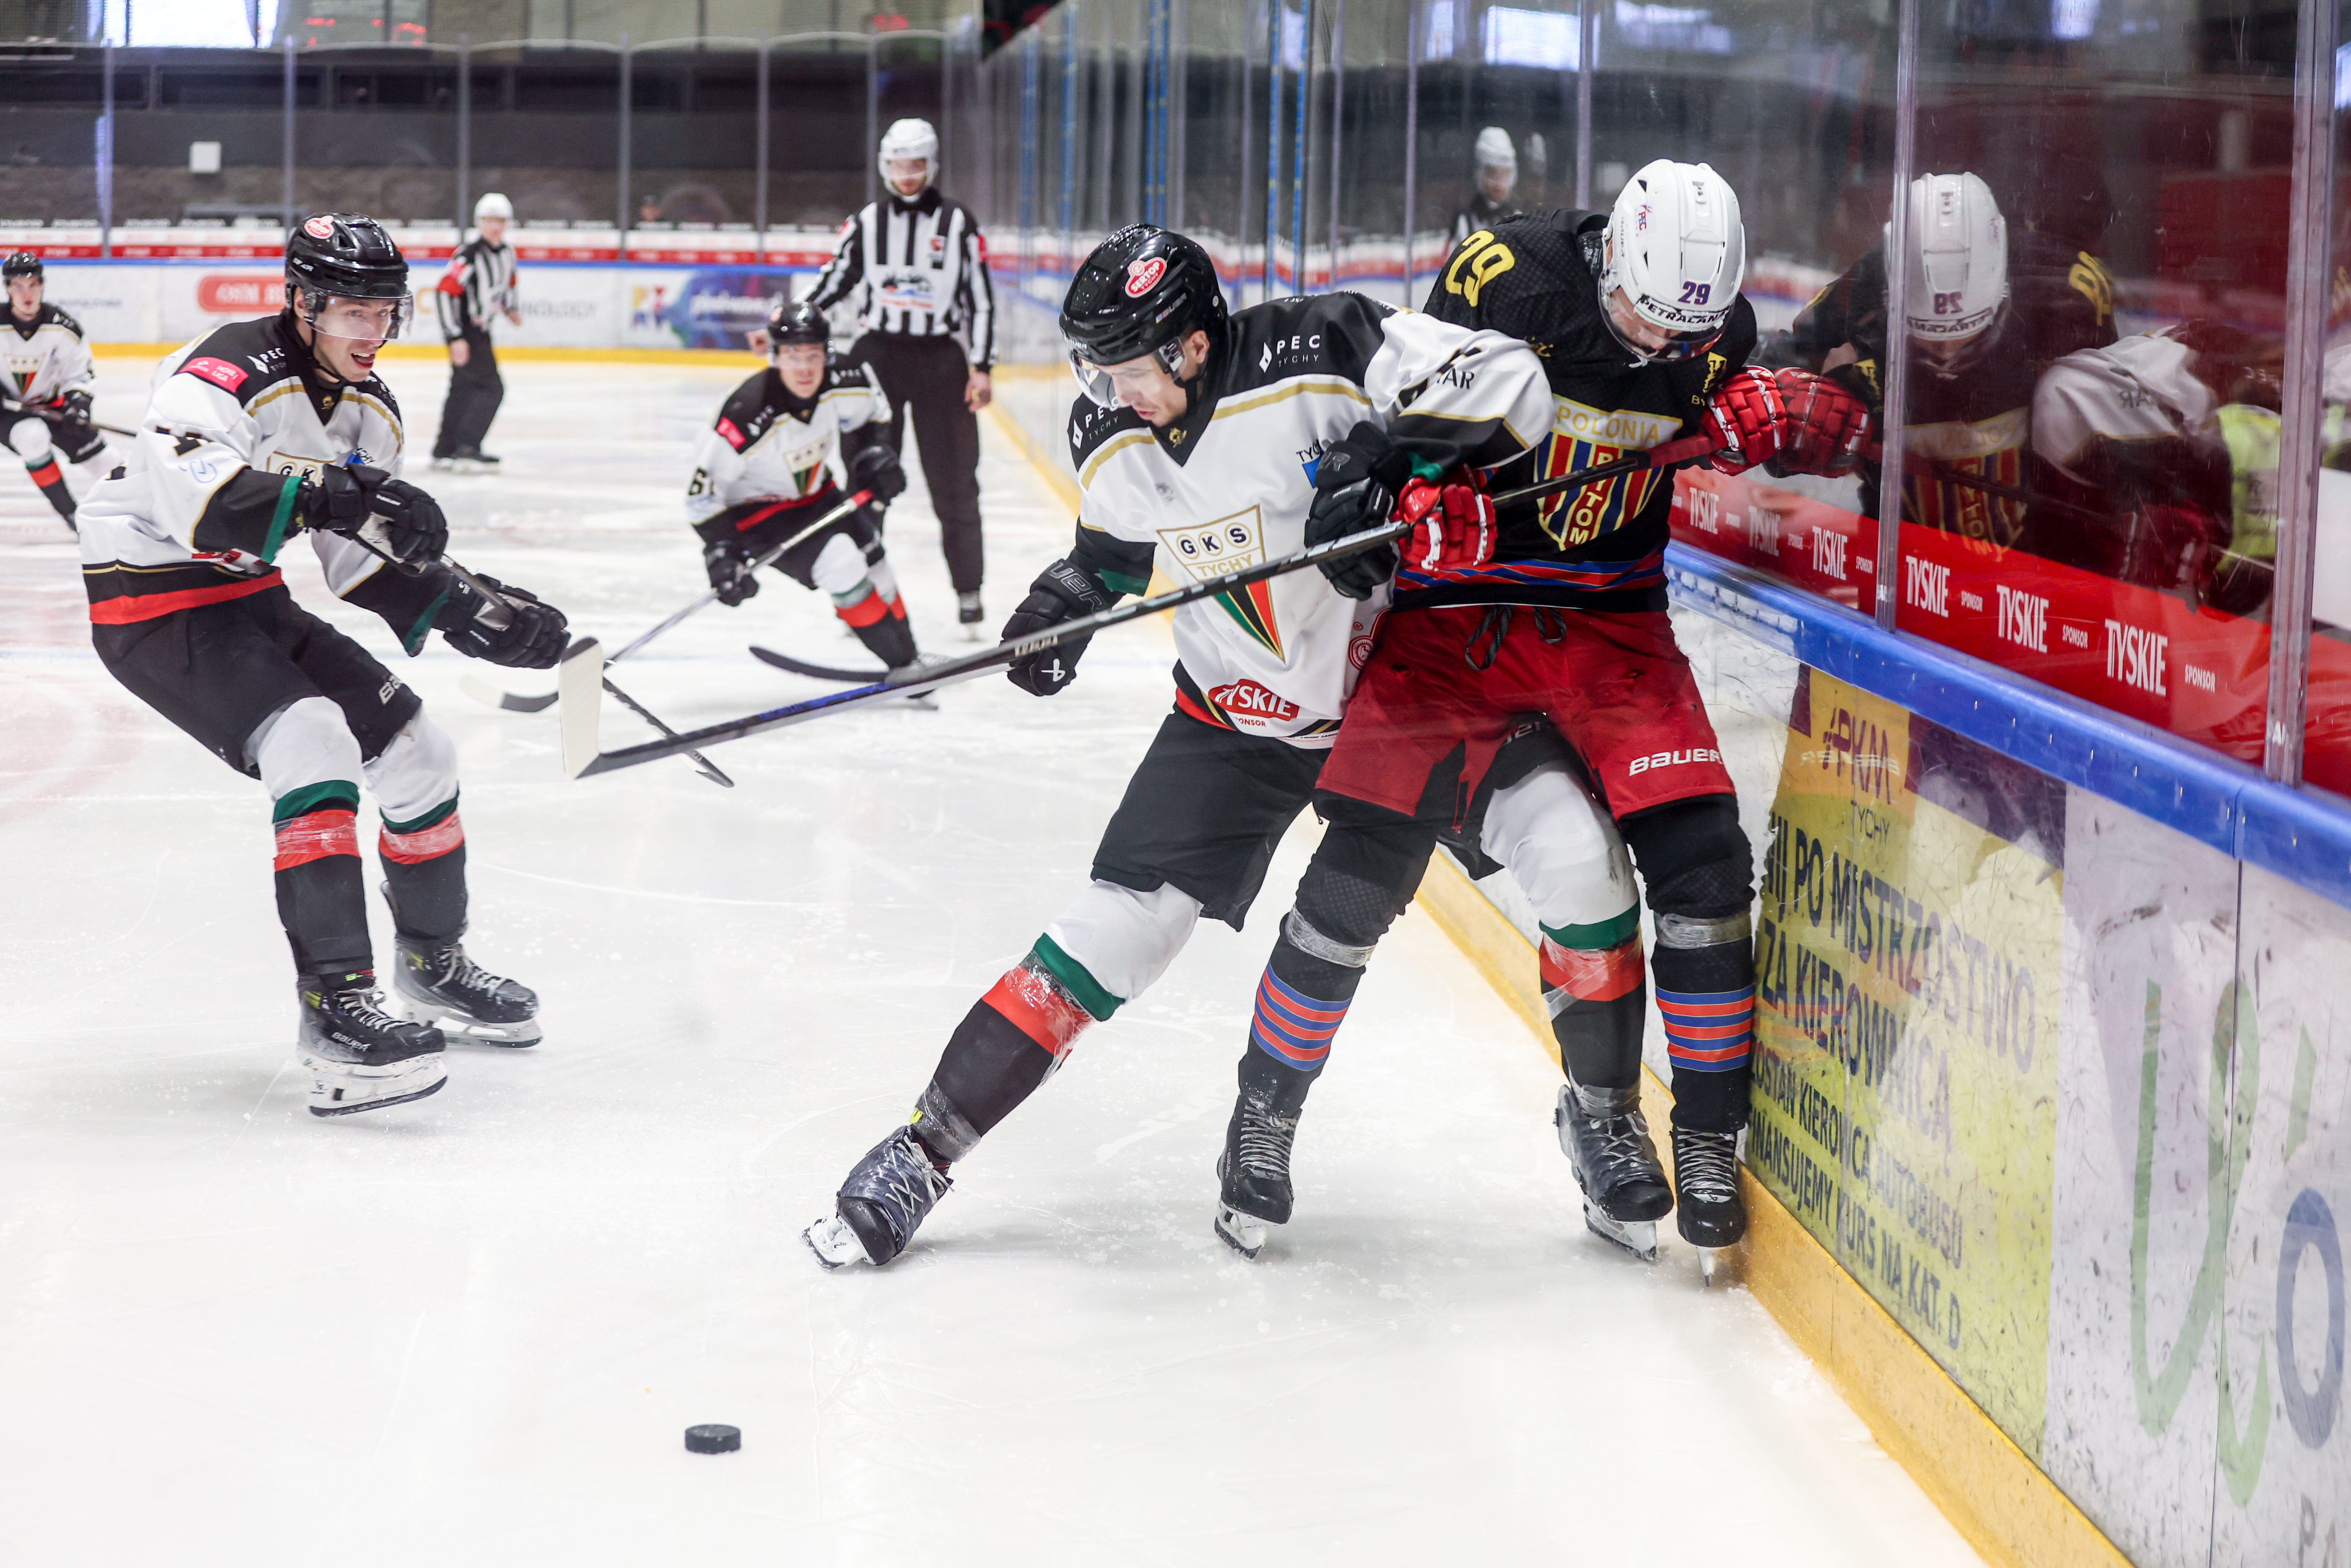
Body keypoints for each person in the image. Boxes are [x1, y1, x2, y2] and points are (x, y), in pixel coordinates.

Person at [802, 222, 1567, 1270]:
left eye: (1126, 369)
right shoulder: (1111, 427)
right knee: (1118, 930)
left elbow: (1514, 384)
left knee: (1490, 874)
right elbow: (1111, 557)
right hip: (1232, 720)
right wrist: (1064, 602)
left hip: (1397, 702)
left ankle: (1543, 1117)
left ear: (1191, 345)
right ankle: (923, 1149)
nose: (1111, 394)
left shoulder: (1324, 346)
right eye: (1097, 371)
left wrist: (1391, 457)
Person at [1202, 161, 1878, 1260]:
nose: (1657, 347)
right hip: (1455, 621)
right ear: (1609, 259)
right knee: (1359, 874)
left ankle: (1691, 1135)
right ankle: (1261, 1115)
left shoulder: (1716, 334)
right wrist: (1398, 505)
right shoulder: (1505, 276)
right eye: (1641, 319)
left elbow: (1835, 415)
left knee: (1705, 864)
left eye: (1682, 335)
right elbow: (1390, 433)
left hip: (1611, 623)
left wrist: (1785, 414)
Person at [74, 214, 570, 1118]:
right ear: (301, 303)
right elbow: (205, 513)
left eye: (385, 311)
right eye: (352, 310)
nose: (372, 331)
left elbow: (360, 564)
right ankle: (335, 1011)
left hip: (246, 594)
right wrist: (328, 493)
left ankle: (432, 964)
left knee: (420, 753)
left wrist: (475, 613)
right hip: (149, 595)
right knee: (313, 741)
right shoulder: (222, 371)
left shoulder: (371, 412)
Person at [1777, 171, 2115, 558]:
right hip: (1897, 557)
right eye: (1923, 337)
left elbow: (2114, 426)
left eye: (1969, 337)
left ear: (2004, 293)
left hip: (2043, 563)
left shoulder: (2068, 293)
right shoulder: (1862, 289)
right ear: (1891, 295)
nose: (1946, 354)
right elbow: (1777, 369)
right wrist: (1803, 407)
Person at [805, 117, 998, 637]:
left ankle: (969, 594)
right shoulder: (867, 222)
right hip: (878, 359)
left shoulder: (959, 223)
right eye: (897, 165)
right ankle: (860, 595)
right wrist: (796, 318)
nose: (906, 175)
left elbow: (981, 300)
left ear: (931, 166)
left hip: (941, 362)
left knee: (955, 483)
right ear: (884, 167)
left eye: (915, 165)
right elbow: (836, 277)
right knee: (866, 481)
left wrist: (982, 366)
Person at [691, 299, 919, 672]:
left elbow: (875, 416)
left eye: (813, 355)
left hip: (818, 495)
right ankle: (905, 664)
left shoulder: (846, 378)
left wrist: (877, 453)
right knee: (841, 564)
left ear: (827, 354)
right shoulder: (745, 413)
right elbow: (701, 496)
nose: (804, 368)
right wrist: (721, 550)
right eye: (793, 355)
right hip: (758, 514)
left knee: (875, 561)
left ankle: (912, 657)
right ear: (775, 355)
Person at [1, 251, 107, 532]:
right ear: (7, 288)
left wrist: (79, 405)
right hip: (8, 413)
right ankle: (73, 516)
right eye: (18, 286)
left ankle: (148, 516)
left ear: (42, 285)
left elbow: (79, 373)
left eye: (32, 284)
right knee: (33, 438)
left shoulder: (63, 326)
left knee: (109, 466)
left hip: (54, 406)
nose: (26, 293)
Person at [432, 192, 523, 472]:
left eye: (500, 221)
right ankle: (468, 448)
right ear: (479, 222)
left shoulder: (507, 253)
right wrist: (455, 337)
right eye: (489, 220)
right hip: (467, 331)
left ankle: (445, 450)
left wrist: (510, 308)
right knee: (492, 388)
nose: (495, 226)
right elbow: (444, 293)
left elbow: (508, 282)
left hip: (481, 331)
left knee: (462, 388)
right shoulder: (469, 255)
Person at [1449, 126, 1522, 249]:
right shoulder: (1465, 221)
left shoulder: (1518, 219)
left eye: (1504, 174)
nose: (1499, 183)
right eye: (1492, 173)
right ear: (1480, 174)